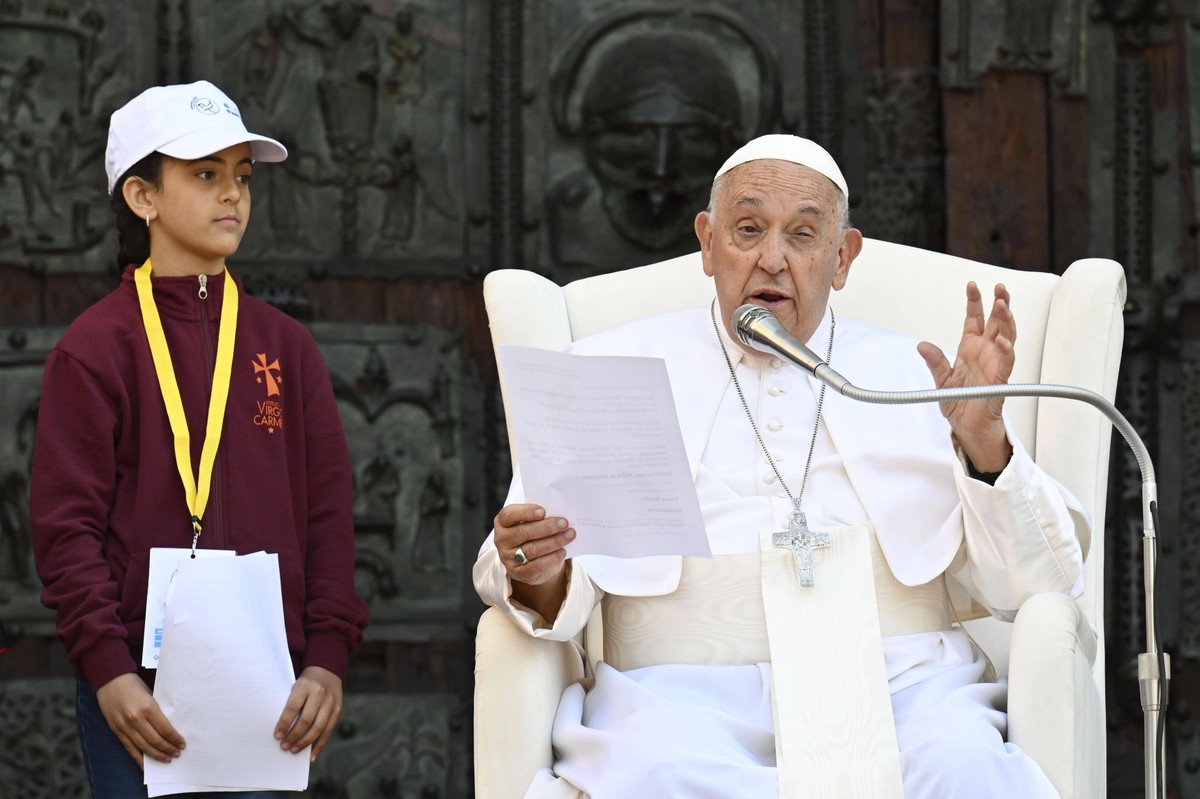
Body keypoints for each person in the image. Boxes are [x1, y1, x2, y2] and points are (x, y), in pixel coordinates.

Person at [473, 134, 1088, 797]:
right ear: (707, 243)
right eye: (747, 229)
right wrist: (537, 570)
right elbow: (538, 570)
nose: (771, 259)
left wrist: (985, 445)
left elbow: (1043, 582)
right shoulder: (604, 367)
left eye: (802, 235)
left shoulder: (916, 377)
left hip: (903, 686)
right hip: (680, 697)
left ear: (843, 257)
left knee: (965, 767)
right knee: (656, 772)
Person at [30, 80, 369, 798]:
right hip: (140, 694)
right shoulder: (94, 348)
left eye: (242, 177)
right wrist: (110, 671)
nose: (233, 196)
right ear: (142, 196)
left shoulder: (287, 347)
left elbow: (329, 518)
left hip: (271, 690)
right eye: (205, 174)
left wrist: (328, 659)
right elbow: (67, 530)